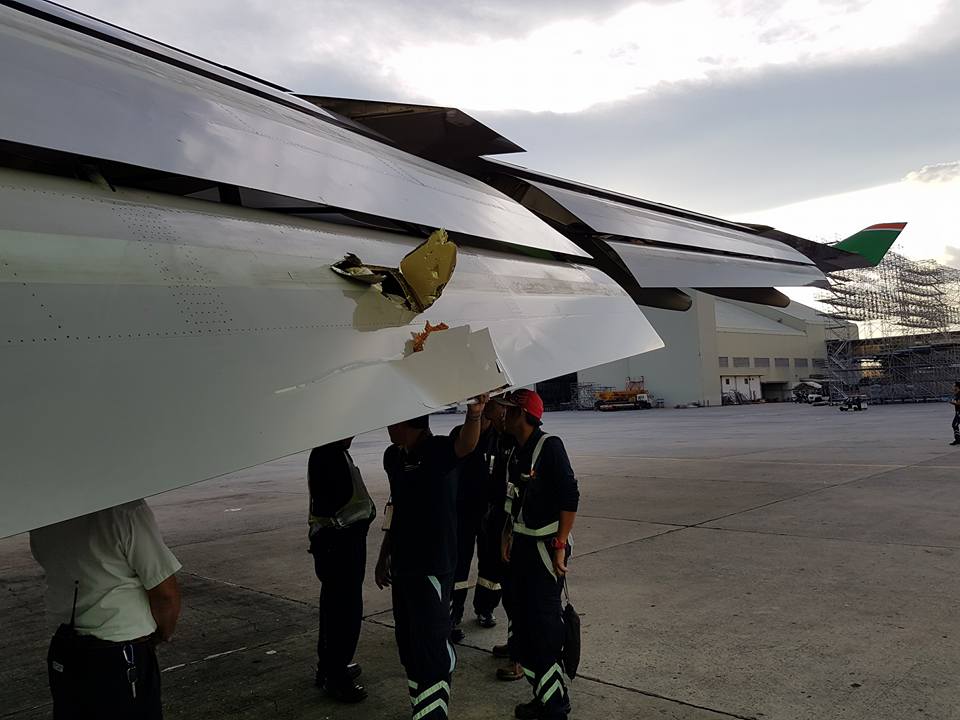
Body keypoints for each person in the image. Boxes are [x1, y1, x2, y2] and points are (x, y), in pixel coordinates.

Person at [375, 396, 489, 720]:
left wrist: (475, 414)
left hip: (432, 567)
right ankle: (422, 709)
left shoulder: (438, 451)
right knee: (409, 644)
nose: (387, 427)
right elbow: (395, 507)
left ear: (404, 423)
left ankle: (433, 715)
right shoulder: (393, 458)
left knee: (431, 647)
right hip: (404, 567)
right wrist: (384, 555)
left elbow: (466, 445)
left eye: (390, 420)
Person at [30, 500, 182, 720]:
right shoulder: (125, 511)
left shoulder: (42, 514)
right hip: (118, 655)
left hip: (64, 649)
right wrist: (162, 634)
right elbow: (165, 594)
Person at [498, 389, 578, 720]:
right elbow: (513, 497)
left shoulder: (549, 446)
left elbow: (569, 497)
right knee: (524, 625)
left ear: (522, 414)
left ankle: (556, 705)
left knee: (543, 627)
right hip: (522, 546)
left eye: (507, 411)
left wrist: (559, 546)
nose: (502, 416)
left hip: (546, 550)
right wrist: (507, 532)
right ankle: (542, 695)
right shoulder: (515, 451)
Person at [307, 437, 376, 702]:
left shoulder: (328, 452)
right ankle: (336, 676)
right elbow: (339, 503)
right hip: (341, 545)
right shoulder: (330, 456)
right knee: (344, 610)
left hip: (336, 545)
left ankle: (329, 666)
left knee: (334, 606)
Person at [449, 400, 505, 642]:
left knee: (492, 566)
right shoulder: (459, 435)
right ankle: (453, 615)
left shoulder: (502, 437)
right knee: (458, 565)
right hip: (463, 512)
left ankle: (486, 608)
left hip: (492, 514)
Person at [951, 381, 960, 446]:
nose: (953, 387)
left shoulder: (959, 394)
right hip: (957, 412)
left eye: (954, 386)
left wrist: (952, 402)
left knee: (955, 425)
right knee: (954, 425)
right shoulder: (957, 394)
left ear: (957, 387)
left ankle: (958, 440)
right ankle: (958, 439)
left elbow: (959, 403)